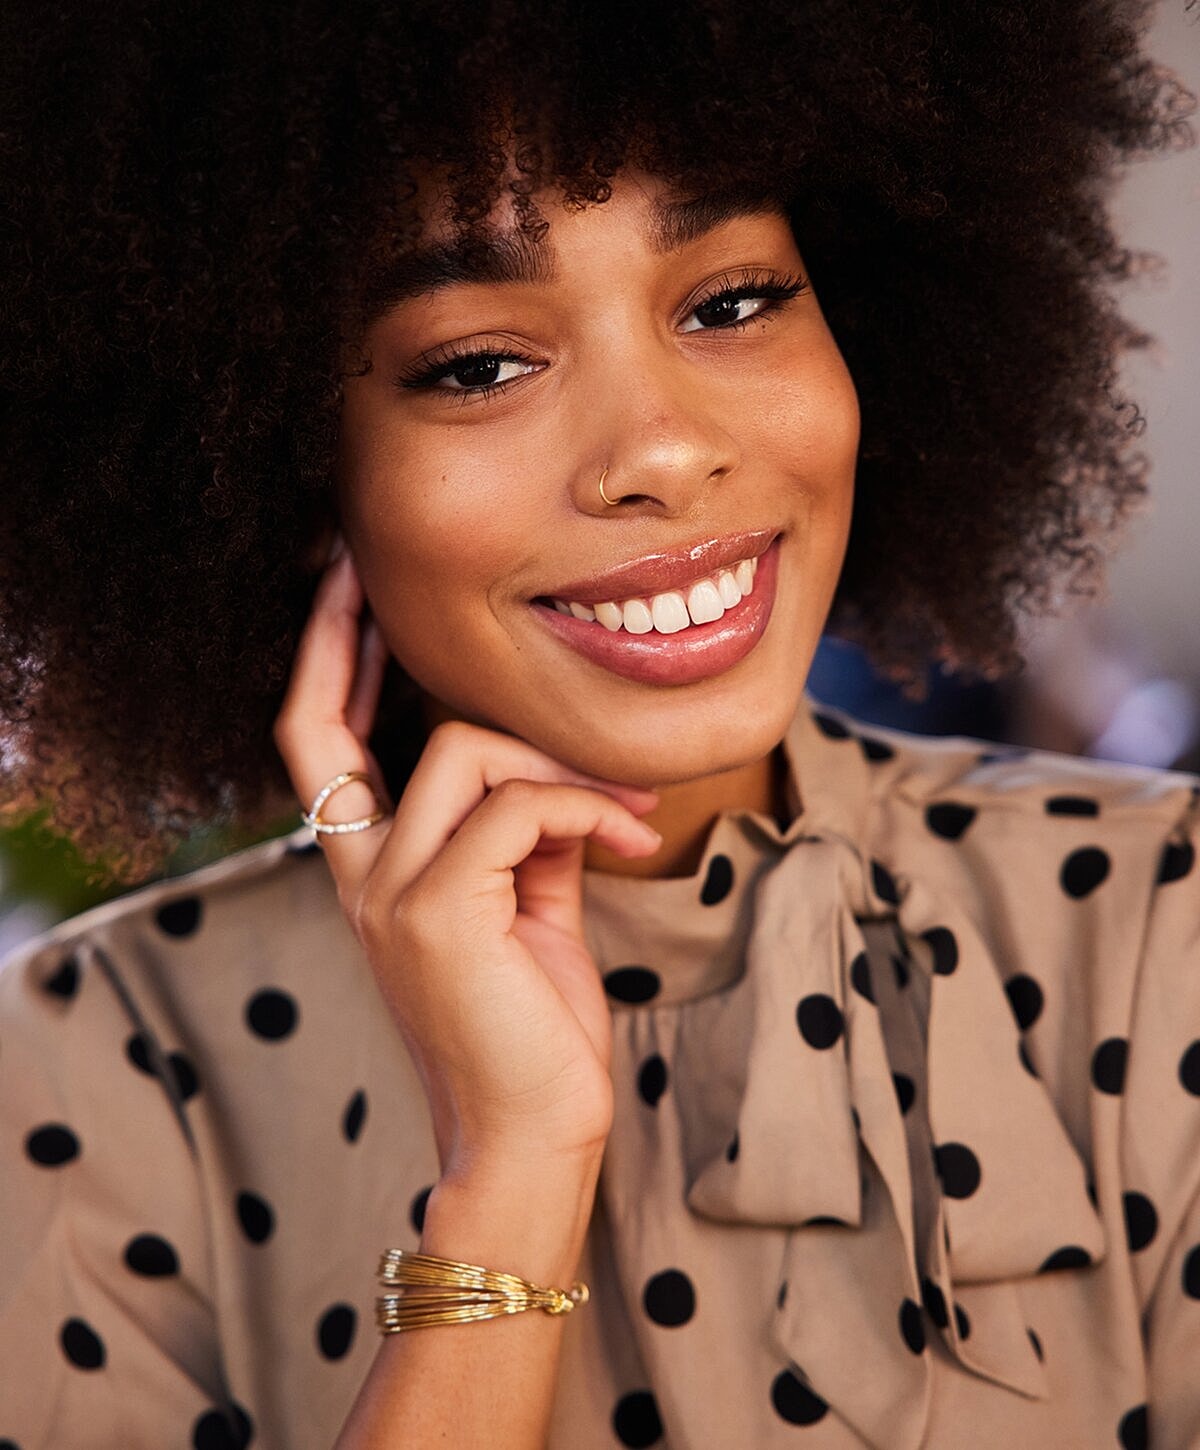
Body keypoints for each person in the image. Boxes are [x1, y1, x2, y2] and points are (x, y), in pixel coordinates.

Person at [1, 2, 1197, 1446]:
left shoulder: (1162, 924)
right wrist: (509, 1170)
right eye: (477, 364)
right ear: (276, 462)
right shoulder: (82, 1067)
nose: (663, 449)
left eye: (735, 298)